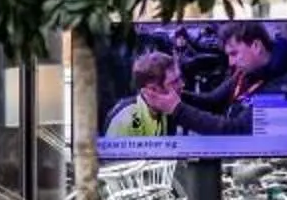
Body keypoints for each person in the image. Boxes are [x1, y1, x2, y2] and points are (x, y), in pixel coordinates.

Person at [103, 52, 245, 139]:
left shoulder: (166, 109)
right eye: (174, 81)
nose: (182, 85)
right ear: (152, 89)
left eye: (180, 78)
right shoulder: (126, 120)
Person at [222, 21, 287, 104]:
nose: (231, 63)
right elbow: (212, 98)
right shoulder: (247, 70)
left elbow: (239, 122)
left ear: (256, 46)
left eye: (234, 54)